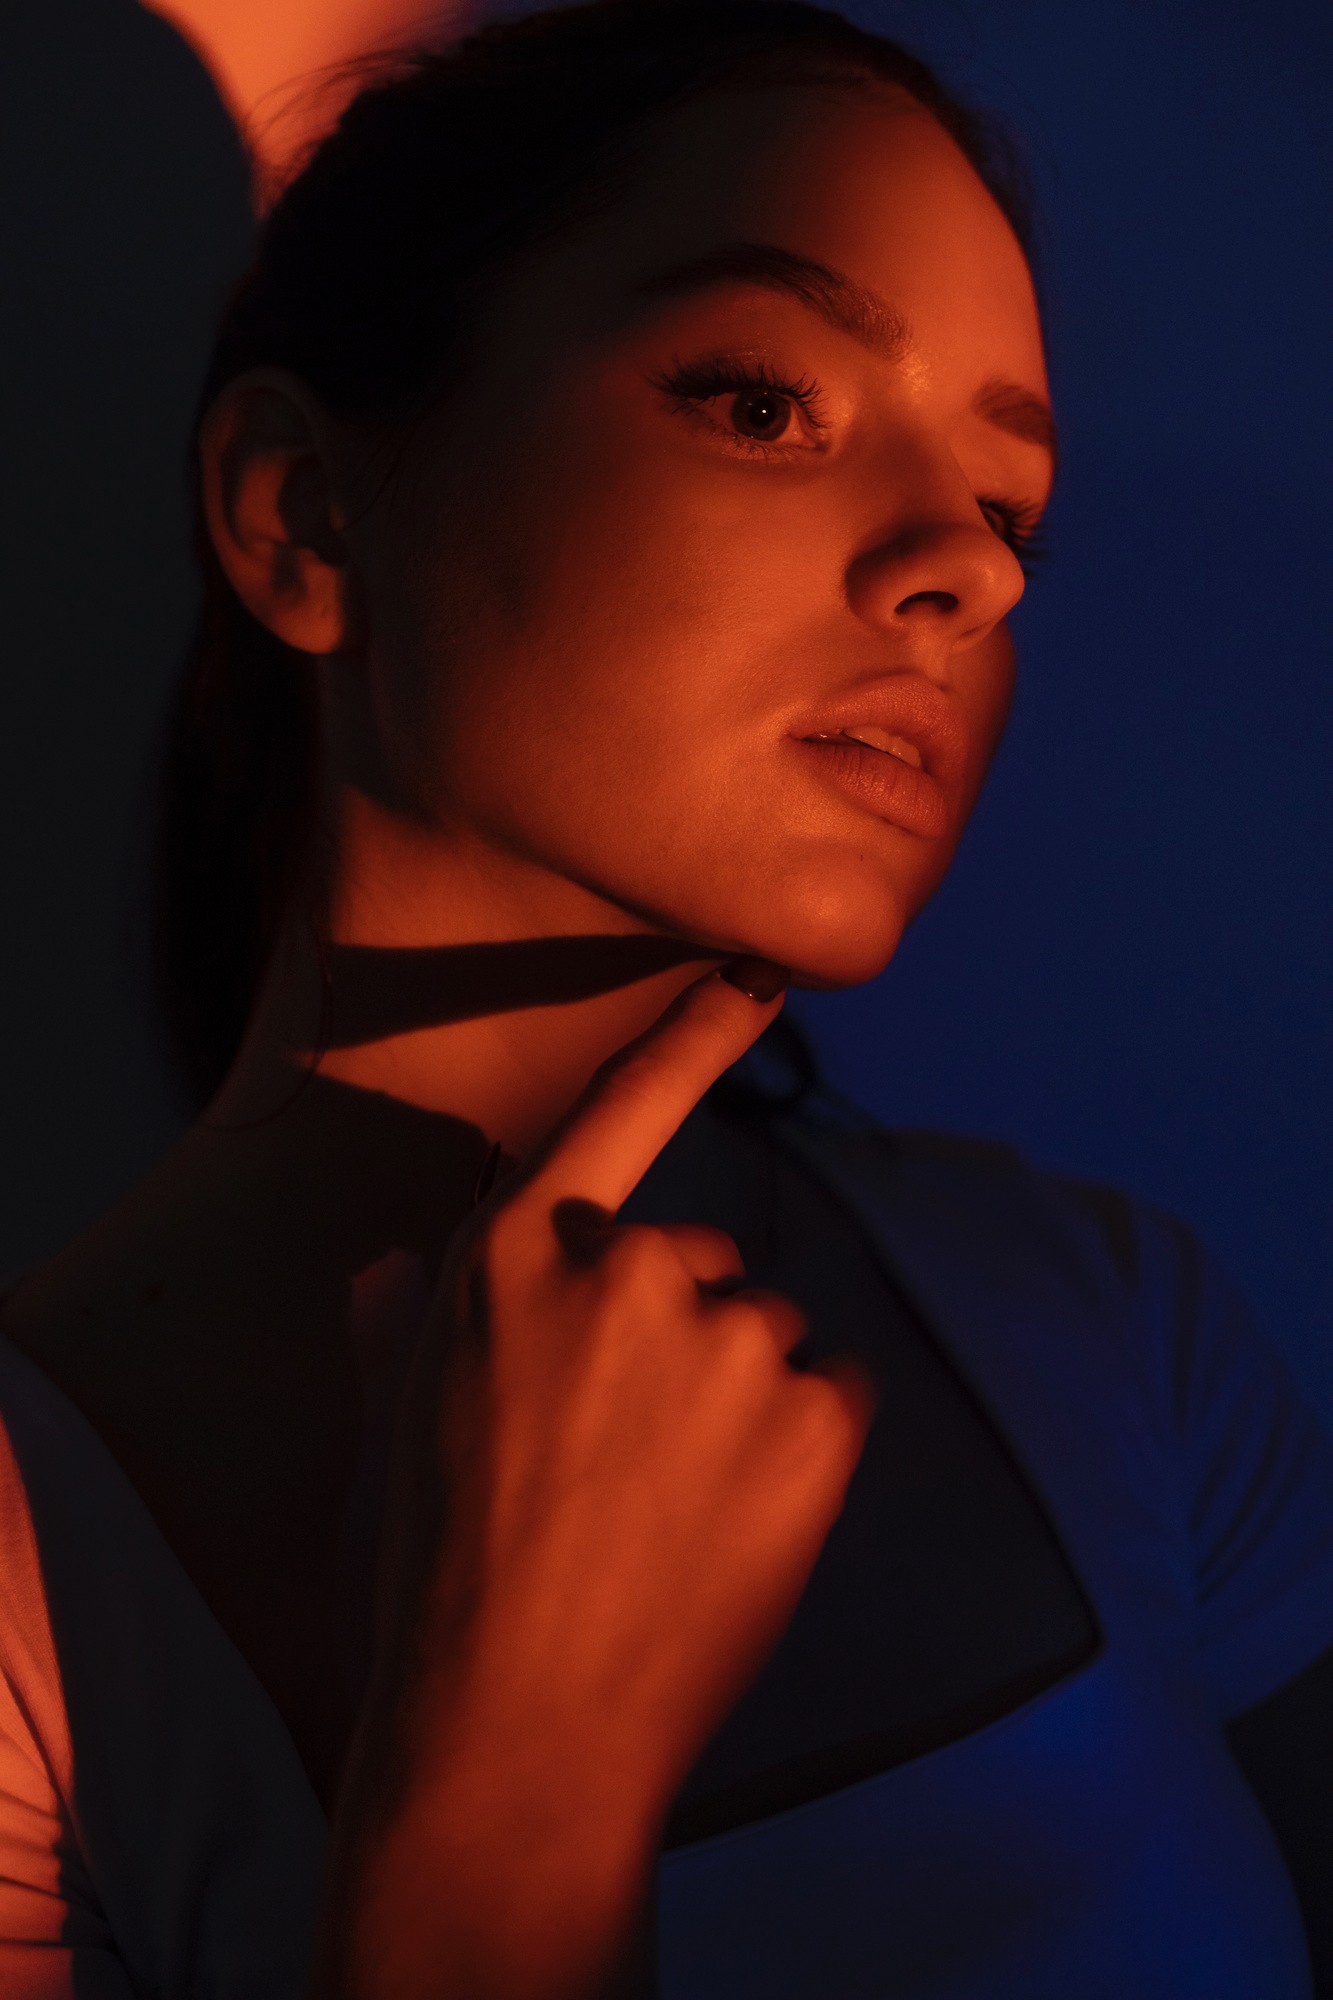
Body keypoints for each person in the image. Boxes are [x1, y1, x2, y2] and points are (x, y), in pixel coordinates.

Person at [1, 3, 1331, 1994]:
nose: (965, 572)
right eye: (761, 400)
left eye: (1012, 509)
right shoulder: (29, 1588)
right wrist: (507, 1769)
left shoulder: (1123, 1334)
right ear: (302, 508)